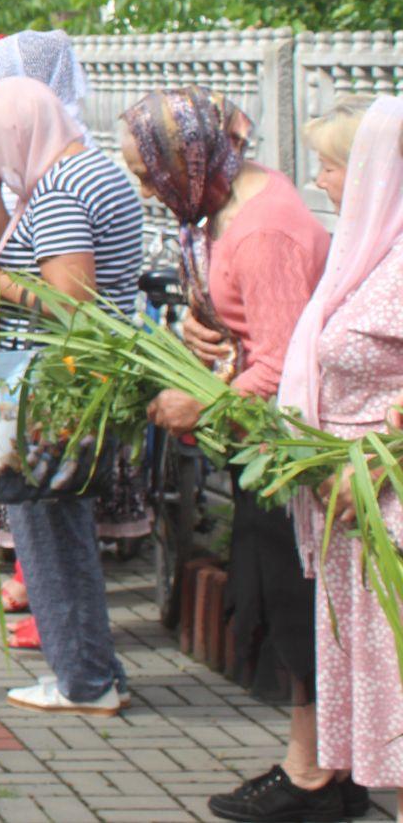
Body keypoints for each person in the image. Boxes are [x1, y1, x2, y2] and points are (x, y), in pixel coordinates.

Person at [114, 90, 342, 821]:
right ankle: (311, 766)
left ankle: (320, 778)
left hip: (290, 457)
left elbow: (281, 365)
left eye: (150, 175)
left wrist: (202, 401)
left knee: (296, 607)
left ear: (189, 158)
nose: (148, 192)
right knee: (288, 606)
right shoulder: (234, 203)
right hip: (271, 449)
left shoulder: (261, 231)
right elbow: (252, 327)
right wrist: (200, 330)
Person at [0, 76, 144, 716]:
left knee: (48, 536)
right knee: (64, 529)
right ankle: (94, 669)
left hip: (47, 384)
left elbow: (71, 304)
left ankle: (84, 681)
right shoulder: (97, 172)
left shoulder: (59, 194)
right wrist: (0, 206)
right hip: (77, 381)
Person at [262, 96, 403, 807]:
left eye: (332, 163)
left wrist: (379, 455)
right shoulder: (374, 252)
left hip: (390, 511)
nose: (318, 179)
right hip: (358, 510)